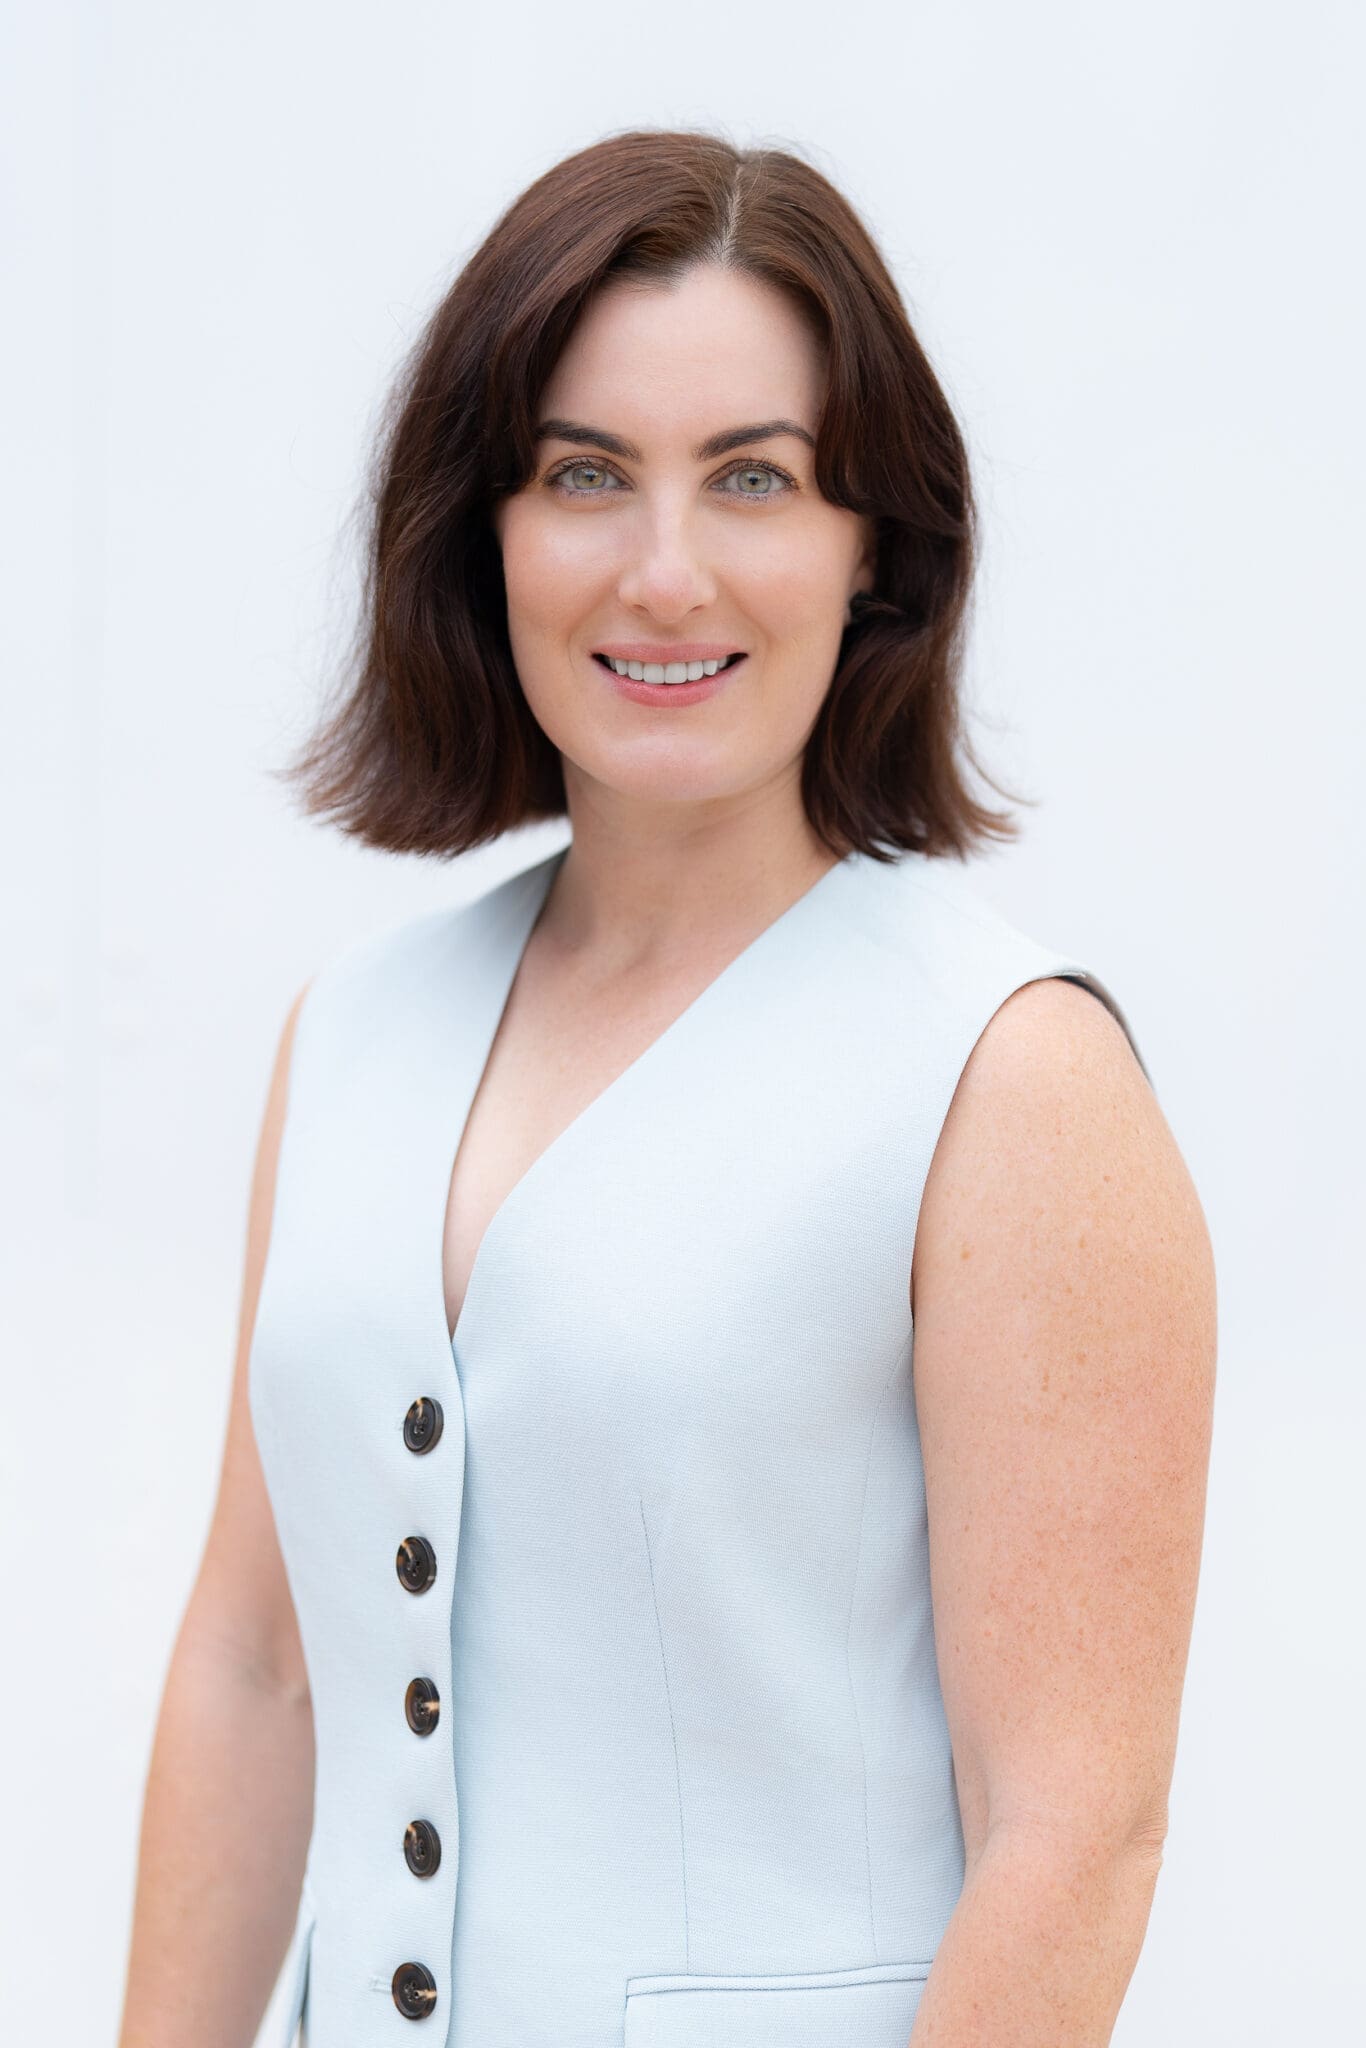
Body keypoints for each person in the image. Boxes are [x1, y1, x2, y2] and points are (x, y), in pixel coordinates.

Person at [116, 129, 1216, 2048]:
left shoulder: (1008, 1079)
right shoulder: (353, 1030)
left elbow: (1073, 1835)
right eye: (582, 474)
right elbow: (258, 1667)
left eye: (755, 481)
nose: (664, 568)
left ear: (876, 549)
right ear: (486, 527)